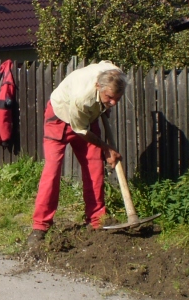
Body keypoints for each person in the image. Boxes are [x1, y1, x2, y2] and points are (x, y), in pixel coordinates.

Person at [28, 61, 127, 247]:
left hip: (87, 117)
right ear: (98, 86)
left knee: (95, 167)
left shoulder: (117, 75)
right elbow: (80, 130)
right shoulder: (82, 98)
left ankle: (96, 221)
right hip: (59, 116)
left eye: (117, 98)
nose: (113, 102)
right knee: (52, 171)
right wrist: (106, 148)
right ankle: (40, 226)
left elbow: (105, 64)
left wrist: (104, 106)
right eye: (109, 97)